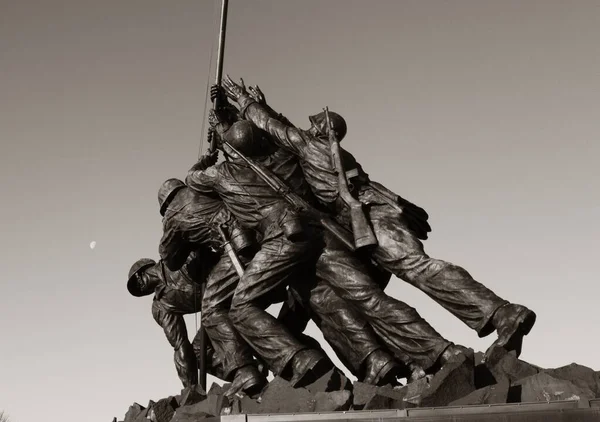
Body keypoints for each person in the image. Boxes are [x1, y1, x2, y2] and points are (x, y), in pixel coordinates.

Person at [219, 77, 536, 360]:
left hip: (368, 214)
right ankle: (461, 336)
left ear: (319, 130)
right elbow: (279, 131)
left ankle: (501, 313)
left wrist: (246, 103)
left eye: (312, 125)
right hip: (371, 212)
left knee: (414, 268)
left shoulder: (310, 147)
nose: (307, 127)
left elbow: (276, 130)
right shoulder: (332, 152)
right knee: (384, 289)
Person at [190, 115, 469, 383]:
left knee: (243, 306)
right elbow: (266, 135)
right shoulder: (285, 158)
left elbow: (194, 178)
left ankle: (299, 363)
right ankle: (434, 351)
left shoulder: (224, 173)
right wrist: (232, 125)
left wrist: (210, 152)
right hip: (321, 234)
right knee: (362, 301)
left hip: (283, 240)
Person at [157, 178, 267, 397]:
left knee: (211, 309)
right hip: (262, 234)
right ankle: (256, 366)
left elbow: (169, 257)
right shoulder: (203, 188)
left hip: (234, 250)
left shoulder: (173, 215)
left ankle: (246, 371)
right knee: (200, 347)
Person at [126, 254, 227, 387]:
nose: (140, 290)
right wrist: (191, 390)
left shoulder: (174, 259)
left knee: (215, 318)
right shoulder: (160, 306)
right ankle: (244, 372)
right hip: (213, 311)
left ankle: (244, 369)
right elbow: (180, 345)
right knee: (198, 352)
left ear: (139, 276)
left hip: (229, 288)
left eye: (136, 285)